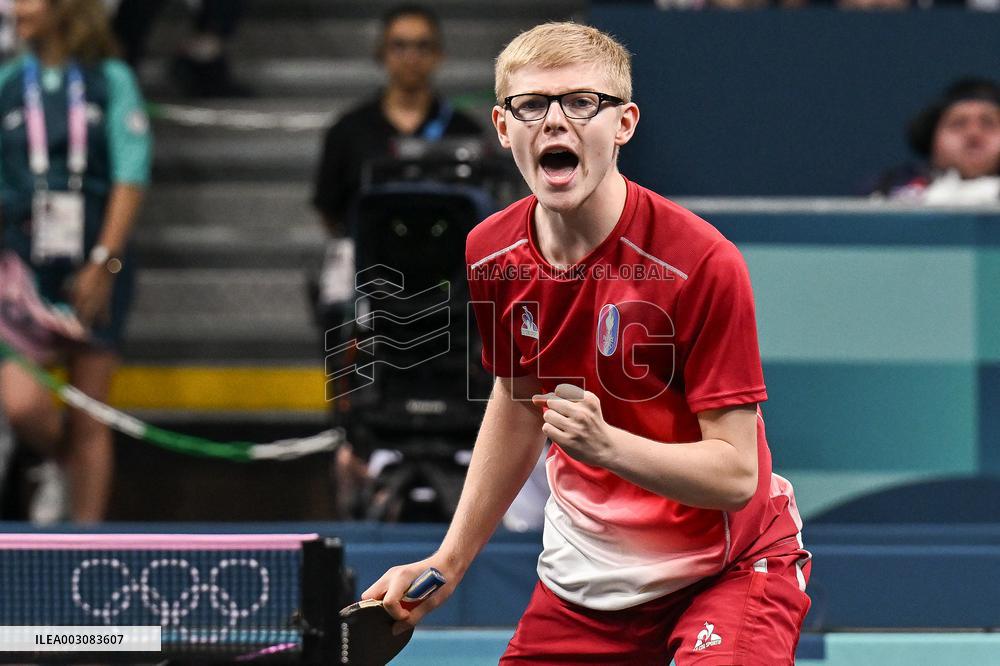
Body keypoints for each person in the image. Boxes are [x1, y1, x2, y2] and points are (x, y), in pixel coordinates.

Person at [363, 22, 812, 665]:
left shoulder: (702, 262)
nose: (554, 121)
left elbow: (738, 474)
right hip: (589, 584)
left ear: (624, 123)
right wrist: (449, 562)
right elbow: (518, 403)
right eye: (532, 105)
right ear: (500, 126)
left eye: (579, 102)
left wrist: (607, 446)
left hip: (730, 566)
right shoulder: (491, 252)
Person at [0, 0, 151, 522]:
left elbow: (130, 176)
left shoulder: (112, 80)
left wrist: (104, 262)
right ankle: (57, 465)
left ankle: (85, 547)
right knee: (22, 405)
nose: (15, 8)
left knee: (91, 417)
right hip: (22, 267)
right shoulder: (9, 81)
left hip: (96, 262)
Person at [311, 3, 483, 236]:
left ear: (438, 55)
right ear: (381, 53)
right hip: (370, 263)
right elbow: (328, 208)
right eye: (399, 46)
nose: (411, 57)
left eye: (423, 46)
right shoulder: (347, 130)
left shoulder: (466, 130)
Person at [871, 77, 1000, 203]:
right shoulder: (885, 192)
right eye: (958, 124)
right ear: (933, 138)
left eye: (988, 124)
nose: (973, 134)